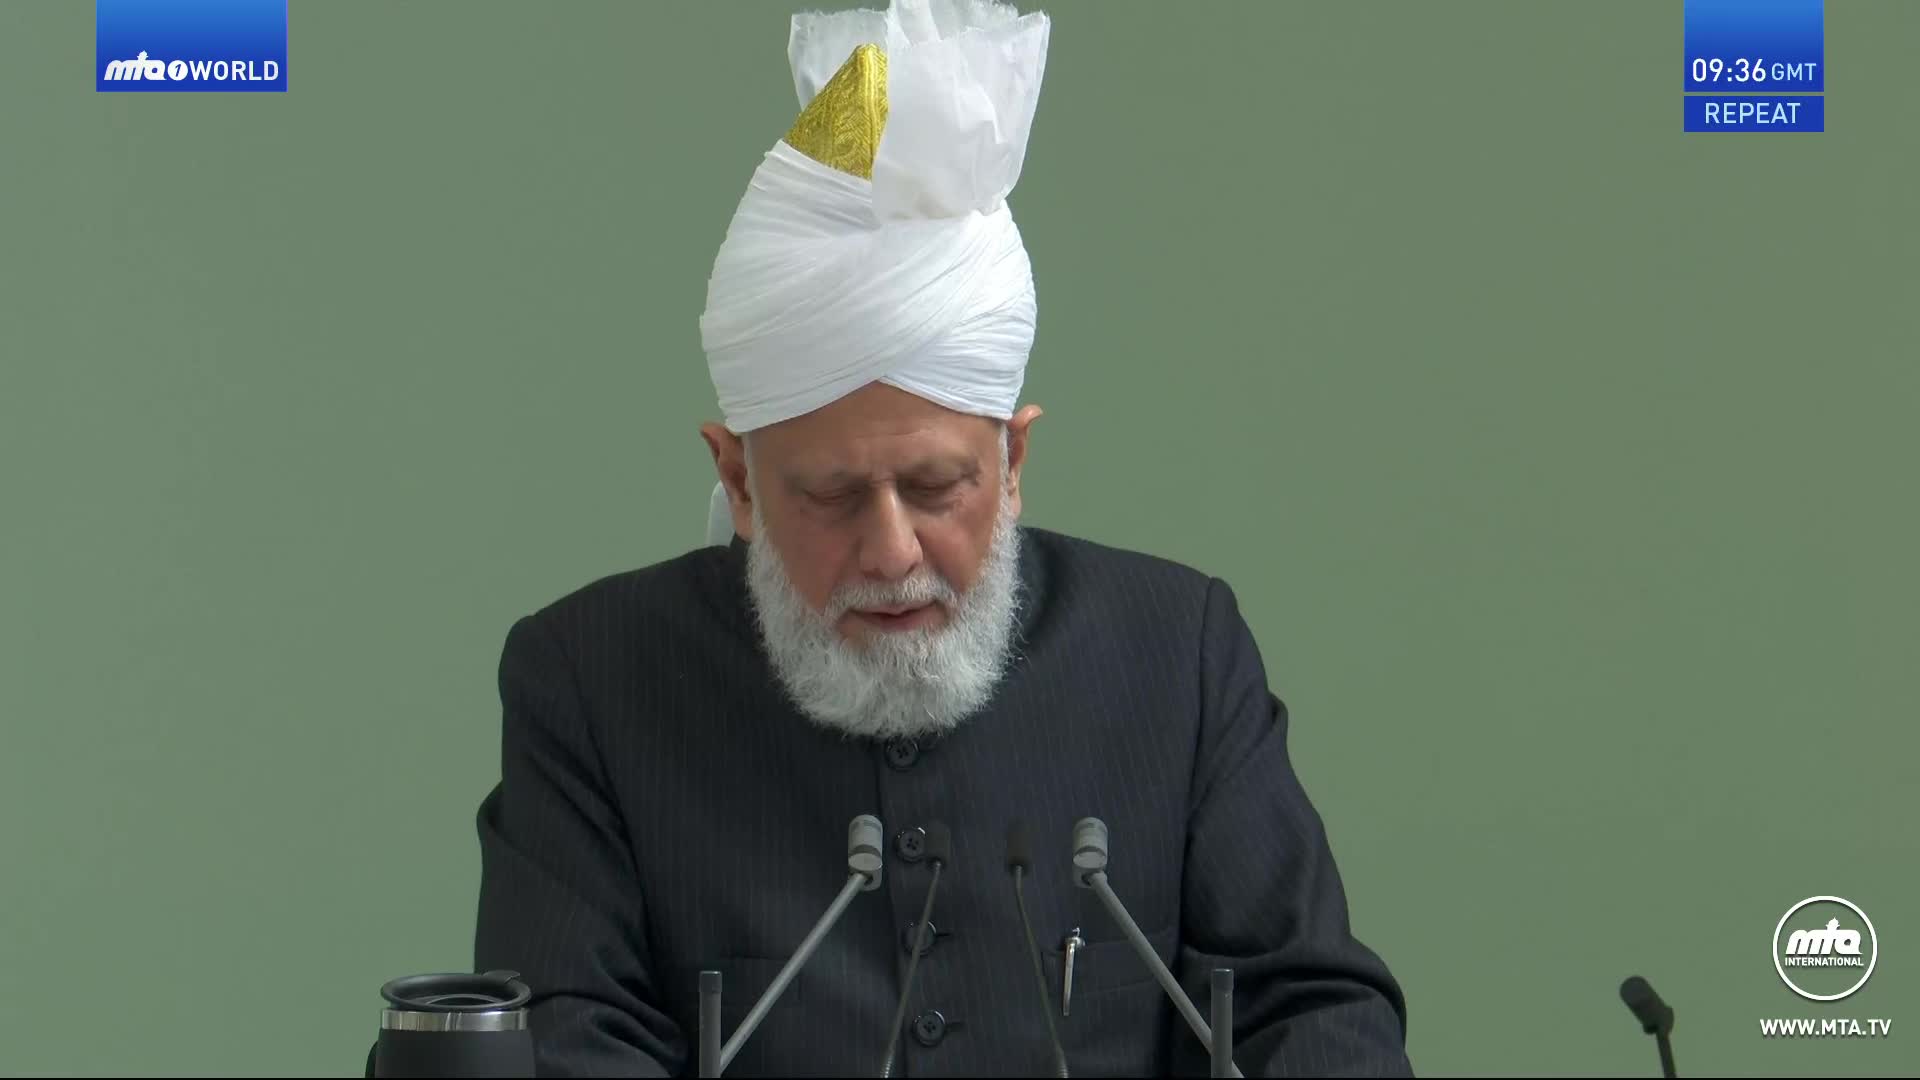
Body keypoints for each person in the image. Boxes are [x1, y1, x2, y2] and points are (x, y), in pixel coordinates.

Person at [474, 1, 1411, 1075]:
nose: (891, 552)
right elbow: (561, 1038)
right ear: (736, 477)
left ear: (1013, 465)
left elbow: (1311, 1009)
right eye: (830, 496)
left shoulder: (1177, 653)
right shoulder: (592, 681)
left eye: (936, 486)